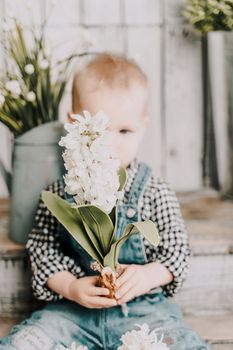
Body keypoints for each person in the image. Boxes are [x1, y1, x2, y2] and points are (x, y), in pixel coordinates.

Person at [0, 54, 210, 350]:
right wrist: (70, 286)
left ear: (142, 127)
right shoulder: (61, 192)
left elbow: (177, 251)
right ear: (74, 124)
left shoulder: (154, 190)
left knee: (179, 343)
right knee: (25, 342)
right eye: (101, 131)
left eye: (125, 131)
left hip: (144, 311)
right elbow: (42, 249)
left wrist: (147, 275)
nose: (112, 143)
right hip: (73, 310)